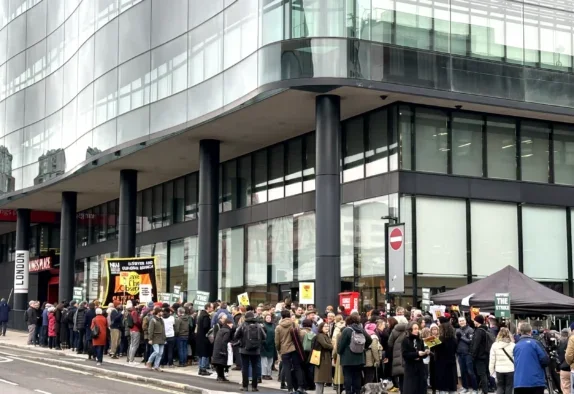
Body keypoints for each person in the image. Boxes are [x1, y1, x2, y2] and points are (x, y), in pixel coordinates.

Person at [337, 314, 373, 394]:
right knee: (357, 376)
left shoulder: (346, 330)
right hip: (360, 358)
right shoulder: (361, 330)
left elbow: (341, 345)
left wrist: (339, 352)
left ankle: (349, 392)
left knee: (348, 376)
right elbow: (370, 340)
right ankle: (357, 391)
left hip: (347, 358)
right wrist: (363, 348)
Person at [275, 308, 307, 394]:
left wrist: (278, 349)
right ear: (289, 316)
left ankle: (290, 388)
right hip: (294, 349)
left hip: (284, 350)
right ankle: (300, 387)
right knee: (297, 367)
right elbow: (300, 336)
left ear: (282, 316)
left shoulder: (278, 327)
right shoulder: (294, 324)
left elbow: (277, 341)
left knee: (287, 368)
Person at [234, 311, 266, 392]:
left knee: (245, 367)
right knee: (255, 367)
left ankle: (245, 386)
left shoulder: (243, 324)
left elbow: (236, 335)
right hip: (256, 350)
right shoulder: (258, 325)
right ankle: (254, 387)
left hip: (244, 349)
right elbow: (264, 336)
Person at [513, 323, 549, 394]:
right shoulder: (535, 343)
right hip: (535, 381)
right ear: (530, 331)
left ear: (520, 331)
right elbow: (545, 360)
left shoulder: (516, 346)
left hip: (519, 382)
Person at [402, 321, 429, 394]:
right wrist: (416, 354)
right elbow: (405, 354)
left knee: (421, 387)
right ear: (410, 330)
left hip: (420, 367)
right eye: (415, 329)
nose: (417, 330)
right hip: (410, 367)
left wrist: (426, 353)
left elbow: (422, 353)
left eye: (417, 328)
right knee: (411, 388)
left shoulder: (420, 340)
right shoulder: (406, 340)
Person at [433, 323, 458, 394]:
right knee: (451, 386)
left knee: (443, 387)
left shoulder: (440, 339)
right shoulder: (454, 339)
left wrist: (432, 336)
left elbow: (427, 344)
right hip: (452, 364)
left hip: (441, 365)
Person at [489, 327, 515, 394]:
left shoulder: (494, 345)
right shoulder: (513, 345)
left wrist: (492, 371)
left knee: (500, 387)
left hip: (499, 370)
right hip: (510, 369)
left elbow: (492, 360)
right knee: (509, 387)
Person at [456, 316, 477, 394]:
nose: (461, 322)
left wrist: (461, 337)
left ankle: (475, 388)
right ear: (458, 322)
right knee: (462, 372)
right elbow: (456, 342)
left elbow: (470, 341)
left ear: (465, 321)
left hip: (468, 353)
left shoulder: (470, 330)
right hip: (460, 354)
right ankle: (465, 387)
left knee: (470, 371)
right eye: (460, 321)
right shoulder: (457, 330)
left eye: (463, 320)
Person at [470, 315, 491, 394]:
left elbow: (476, 344)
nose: (473, 322)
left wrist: (473, 355)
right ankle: (487, 388)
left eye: (474, 321)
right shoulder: (486, 329)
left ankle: (484, 391)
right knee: (485, 373)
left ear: (477, 321)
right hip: (486, 355)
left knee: (482, 374)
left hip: (480, 357)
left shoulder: (479, 331)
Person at [389, 316, 408, 392]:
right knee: (408, 377)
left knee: (400, 377)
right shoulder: (409, 330)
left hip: (397, 356)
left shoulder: (394, 330)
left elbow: (389, 343)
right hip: (406, 356)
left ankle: (401, 391)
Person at [212, 316, 234, 382]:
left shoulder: (221, 330)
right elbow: (224, 341)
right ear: (228, 324)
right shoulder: (227, 331)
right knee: (221, 364)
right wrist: (224, 351)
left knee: (219, 364)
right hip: (222, 350)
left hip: (217, 349)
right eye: (231, 324)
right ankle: (221, 377)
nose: (232, 325)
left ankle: (220, 376)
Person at [313, 322, 333, 394]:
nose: (327, 328)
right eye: (325, 326)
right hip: (321, 359)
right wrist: (332, 346)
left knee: (322, 379)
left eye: (327, 326)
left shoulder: (325, 335)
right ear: (321, 328)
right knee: (319, 379)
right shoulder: (320, 336)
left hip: (325, 358)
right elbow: (325, 345)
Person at [147, 307, 167, 371]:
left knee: (160, 353)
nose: (162, 313)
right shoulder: (153, 320)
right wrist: (150, 339)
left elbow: (163, 330)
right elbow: (150, 330)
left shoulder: (161, 319)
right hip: (155, 338)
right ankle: (149, 362)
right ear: (158, 312)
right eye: (161, 311)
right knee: (156, 351)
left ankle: (156, 366)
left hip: (161, 338)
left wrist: (164, 338)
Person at [197, 302, 214, 376]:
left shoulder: (200, 315)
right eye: (211, 307)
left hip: (199, 337)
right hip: (204, 337)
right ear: (208, 308)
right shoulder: (206, 317)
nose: (212, 309)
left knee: (201, 353)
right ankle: (203, 369)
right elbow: (206, 327)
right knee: (204, 353)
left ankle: (200, 368)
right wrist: (210, 330)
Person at [261, 312, 276, 380]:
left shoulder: (273, 325)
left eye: (269, 318)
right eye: (267, 318)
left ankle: (269, 374)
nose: (268, 319)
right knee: (264, 361)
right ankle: (264, 374)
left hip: (271, 345)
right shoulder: (263, 325)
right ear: (265, 318)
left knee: (270, 361)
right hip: (264, 345)